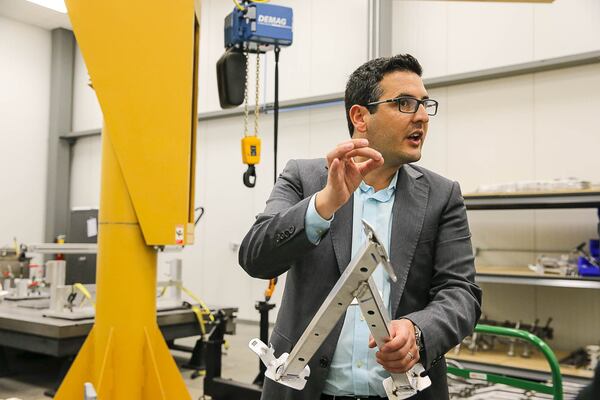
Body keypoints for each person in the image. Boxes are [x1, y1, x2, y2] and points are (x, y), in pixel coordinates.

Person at [239, 54, 482, 400]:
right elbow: (255, 259)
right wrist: (323, 205)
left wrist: (417, 332)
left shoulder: (442, 196)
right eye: (405, 103)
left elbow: (462, 294)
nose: (423, 116)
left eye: (425, 104)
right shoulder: (304, 179)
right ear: (360, 116)